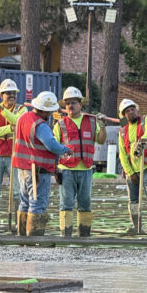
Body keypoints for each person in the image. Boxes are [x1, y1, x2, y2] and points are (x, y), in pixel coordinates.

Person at [12, 91, 71, 237]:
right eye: (50, 111)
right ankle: (35, 238)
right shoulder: (41, 125)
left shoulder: (23, 118)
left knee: (24, 202)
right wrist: (65, 150)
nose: (51, 114)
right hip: (38, 170)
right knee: (37, 204)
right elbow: (52, 145)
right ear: (44, 110)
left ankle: (22, 237)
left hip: (23, 168)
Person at [53, 86, 106, 237]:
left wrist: (102, 126)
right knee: (66, 204)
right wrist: (54, 169)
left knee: (85, 204)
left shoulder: (91, 121)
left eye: (73, 102)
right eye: (68, 103)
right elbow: (52, 146)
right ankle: (66, 235)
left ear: (80, 104)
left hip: (86, 170)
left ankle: (84, 236)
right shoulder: (60, 124)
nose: (70, 106)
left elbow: (101, 140)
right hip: (66, 170)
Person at [117, 98, 147, 235]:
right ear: (124, 115)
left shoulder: (146, 120)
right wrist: (130, 173)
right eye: (127, 111)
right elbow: (122, 154)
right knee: (133, 200)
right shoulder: (123, 131)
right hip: (132, 170)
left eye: (132, 109)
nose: (131, 112)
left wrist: (143, 140)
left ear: (136, 110)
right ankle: (137, 227)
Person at [0, 78, 27, 233]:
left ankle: (19, 225)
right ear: (1, 95)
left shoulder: (22, 109)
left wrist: (3, 112)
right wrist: (10, 128)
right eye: (8, 93)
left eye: (13, 93)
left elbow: (18, 121)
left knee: (17, 190)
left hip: (14, 155)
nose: (12, 96)